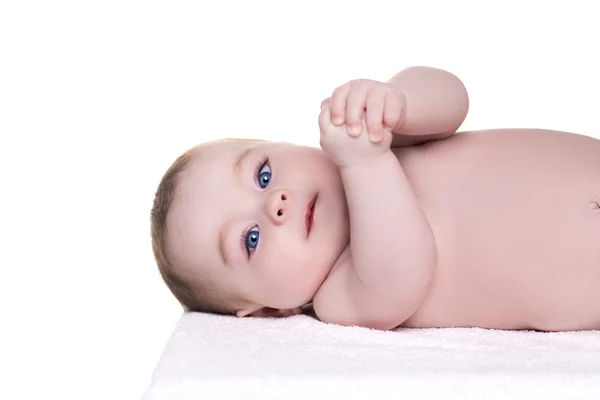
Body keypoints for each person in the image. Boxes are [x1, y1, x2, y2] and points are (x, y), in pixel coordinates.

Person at [151, 66, 600, 331]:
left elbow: (454, 100)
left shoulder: (378, 139)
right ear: (271, 309)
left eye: (263, 174)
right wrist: (364, 165)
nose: (276, 204)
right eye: (250, 239)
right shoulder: (343, 295)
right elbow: (403, 274)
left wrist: (398, 99)